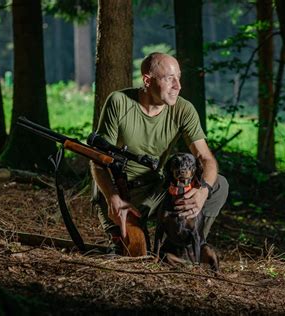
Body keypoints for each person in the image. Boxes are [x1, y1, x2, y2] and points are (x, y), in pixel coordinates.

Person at [90, 52, 228, 253]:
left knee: (218, 185)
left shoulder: (183, 109)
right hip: (120, 191)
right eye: (169, 78)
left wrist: (202, 191)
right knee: (134, 253)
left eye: (178, 77)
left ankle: (181, 248)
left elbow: (205, 158)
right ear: (147, 80)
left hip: (158, 189)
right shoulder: (119, 102)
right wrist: (112, 198)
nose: (178, 86)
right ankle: (128, 237)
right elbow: (97, 159)